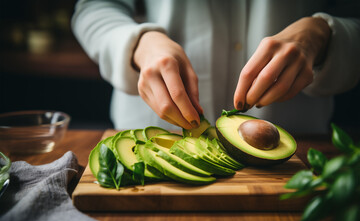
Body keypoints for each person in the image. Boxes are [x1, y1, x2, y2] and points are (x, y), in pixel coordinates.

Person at [71, 0, 360, 134]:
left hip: (298, 146)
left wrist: (322, 32)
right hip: (156, 137)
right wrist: (140, 44)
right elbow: (94, 7)